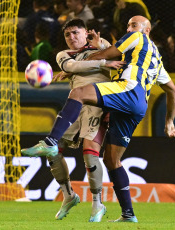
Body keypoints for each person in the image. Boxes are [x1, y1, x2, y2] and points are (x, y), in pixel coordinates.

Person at [22, 15, 175, 222]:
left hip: (123, 93)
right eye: (128, 24)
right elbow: (173, 91)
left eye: (133, 25)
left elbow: (109, 52)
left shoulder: (136, 39)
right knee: (112, 160)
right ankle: (128, 214)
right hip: (133, 105)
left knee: (78, 98)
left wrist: (100, 51)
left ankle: (94, 199)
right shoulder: (152, 58)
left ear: (146, 30)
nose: (129, 28)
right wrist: (169, 122)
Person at [34, 18, 124, 222]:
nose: (72, 37)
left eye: (76, 32)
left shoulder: (102, 47)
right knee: (52, 149)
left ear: (86, 33)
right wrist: (74, 69)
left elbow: (117, 54)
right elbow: (74, 67)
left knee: (90, 155)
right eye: (67, 34)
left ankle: (97, 203)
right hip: (75, 106)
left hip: (97, 105)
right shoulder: (64, 55)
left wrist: (101, 45)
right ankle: (68, 195)